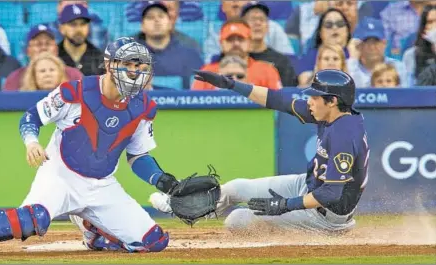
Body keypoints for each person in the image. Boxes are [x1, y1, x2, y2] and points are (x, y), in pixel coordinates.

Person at [0, 37, 177, 255]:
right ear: (109, 65)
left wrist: (163, 180)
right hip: (60, 175)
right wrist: (31, 142)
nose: (134, 71)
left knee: (153, 242)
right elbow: (31, 116)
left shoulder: (144, 108)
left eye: (139, 65)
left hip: (102, 184)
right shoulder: (74, 92)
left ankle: (94, 231)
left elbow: (138, 156)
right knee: (34, 219)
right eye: (127, 64)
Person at [152, 69, 369, 235]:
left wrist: (285, 205)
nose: (309, 101)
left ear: (332, 101)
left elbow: (331, 194)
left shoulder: (344, 134)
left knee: (237, 221)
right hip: (308, 185)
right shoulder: (330, 113)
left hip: (327, 215)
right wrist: (230, 84)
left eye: (314, 97)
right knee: (236, 187)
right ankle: (177, 207)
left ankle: (320, 237)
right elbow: (276, 99)